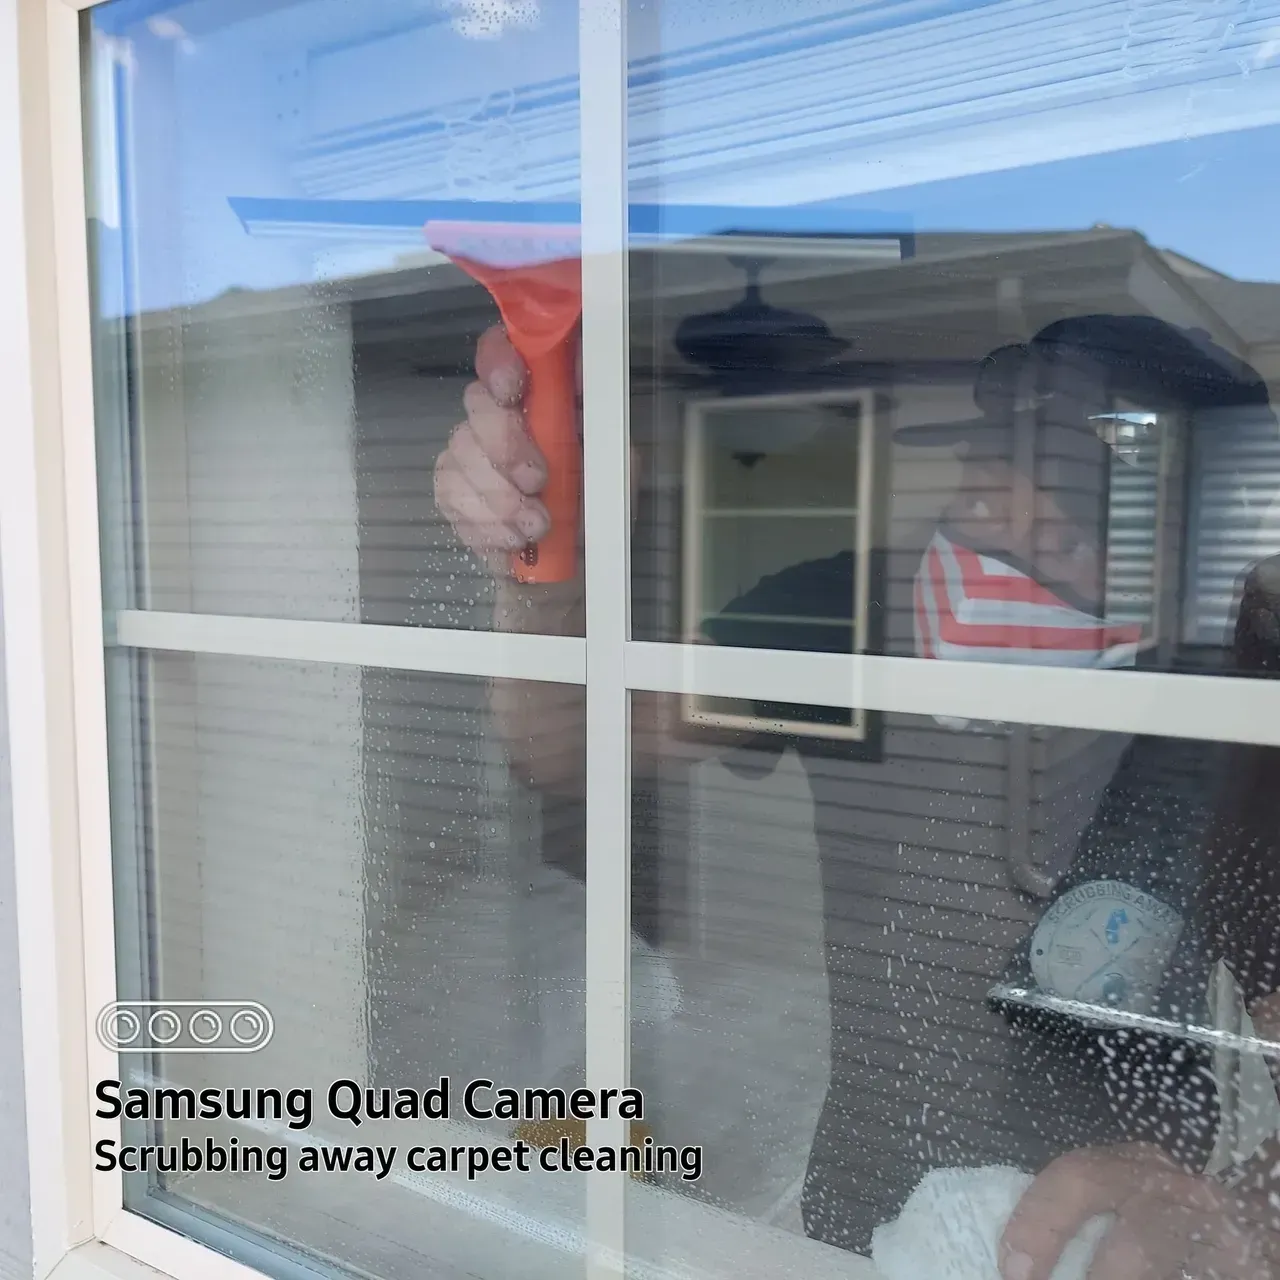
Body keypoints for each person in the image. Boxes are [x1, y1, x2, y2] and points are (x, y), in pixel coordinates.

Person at [434, 314, 1280, 1279]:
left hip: (1129, 1248)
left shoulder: (1246, 696)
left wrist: (1250, 1201)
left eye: (1075, 522)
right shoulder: (845, 612)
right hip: (854, 1229)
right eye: (995, 486)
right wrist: (543, 564)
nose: (1011, 539)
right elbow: (562, 742)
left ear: (1193, 544)